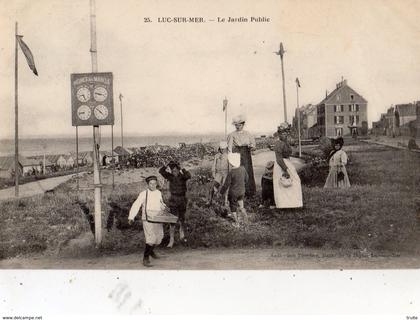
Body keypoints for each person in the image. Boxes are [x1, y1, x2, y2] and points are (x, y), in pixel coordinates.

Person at [128, 175, 166, 267]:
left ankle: (151, 252)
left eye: (154, 184)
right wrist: (131, 217)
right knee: (151, 238)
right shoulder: (143, 194)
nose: (153, 185)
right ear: (148, 184)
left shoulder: (158, 193)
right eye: (151, 184)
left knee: (159, 237)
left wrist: (164, 207)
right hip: (147, 219)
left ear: (157, 184)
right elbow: (136, 204)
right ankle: (145, 258)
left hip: (157, 218)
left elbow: (161, 203)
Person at [159, 161, 191, 247]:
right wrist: (165, 165)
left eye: (176, 170)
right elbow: (161, 171)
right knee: (172, 220)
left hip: (182, 199)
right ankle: (171, 240)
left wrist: (183, 168)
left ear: (179, 169)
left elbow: (189, 175)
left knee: (182, 219)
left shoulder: (183, 176)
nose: (175, 172)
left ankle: (182, 235)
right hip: (173, 199)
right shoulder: (170, 177)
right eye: (173, 170)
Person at [272, 122, 303, 208]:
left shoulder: (286, 143)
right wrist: (285, 169)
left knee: (295, 181)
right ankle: (284, 204)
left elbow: (290, 151)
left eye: (285, 133)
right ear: (279, 134)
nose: (284, 135)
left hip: (287, 163)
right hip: (281, 165)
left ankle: (293, 203)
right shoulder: (278, 144)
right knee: (283, 183)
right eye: (282, 133)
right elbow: (279, 159)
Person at [227, 114, 256, 197]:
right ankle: (239, 193)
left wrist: (251, 147)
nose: (238, 126)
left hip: (246, 154)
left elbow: (253, 144)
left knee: (247, 171)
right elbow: (229, 147)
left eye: (240, 125)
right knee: (238, 171)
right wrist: (230, 156)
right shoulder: (232, 134)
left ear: (243, 125)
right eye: (236, 125)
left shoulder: (248, 134)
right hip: (237, 154)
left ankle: (250, 192)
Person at [219, 152, 249, 227]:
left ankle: (237, 223)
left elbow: (226, 185)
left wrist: (221, 192)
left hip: (233, 193)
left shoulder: (231, 172)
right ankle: (246, 219)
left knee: (233, 208)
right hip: (242, 191)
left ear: (231, 163)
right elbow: (247, 179)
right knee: (241, 206)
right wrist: (242, 183)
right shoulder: (243, 169)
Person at [207, 141, 230, 206]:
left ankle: (226, 202)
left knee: (226, 188)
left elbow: (230, 166)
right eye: (221, 149)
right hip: (218, 173)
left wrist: (229, 175)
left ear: (226, 148)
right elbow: (214, 165)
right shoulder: (217, 156)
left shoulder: (228, 155)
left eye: (224, 149)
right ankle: (210, 201)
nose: (222, 150)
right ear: (219, 148)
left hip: (226, 173)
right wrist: (213, 173)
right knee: (212, 187)